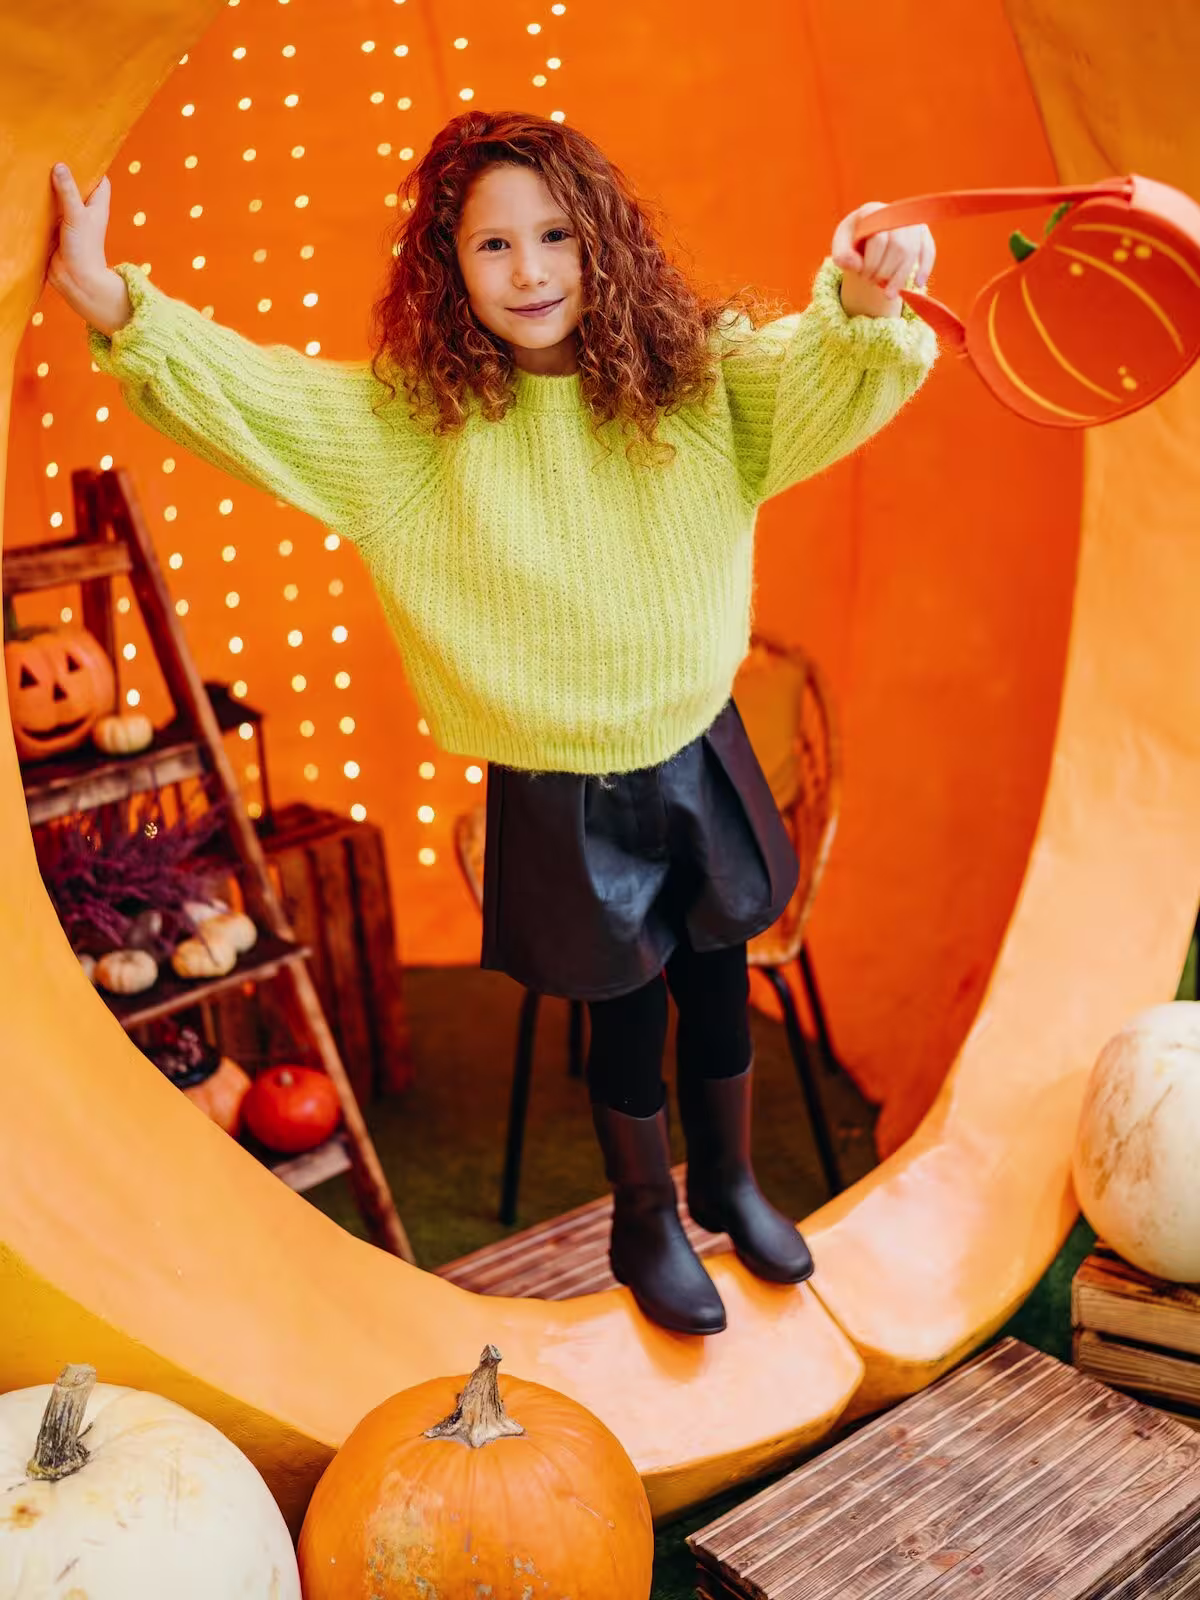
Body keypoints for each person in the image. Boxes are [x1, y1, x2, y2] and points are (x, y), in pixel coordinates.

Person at [47, 109, 937, 1337]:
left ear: (605, 239)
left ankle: (730, 1182)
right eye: (493, 246)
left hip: (695, 748)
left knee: (721, 984)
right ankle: (645, 1217)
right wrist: (118, 307)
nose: (531, 271)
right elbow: (262, 395)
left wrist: (867, 298)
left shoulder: (697, 383)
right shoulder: (418, 432)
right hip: (561, 786)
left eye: (556, 235)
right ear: (449, 269)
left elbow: (822, 379)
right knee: (626, 1013)